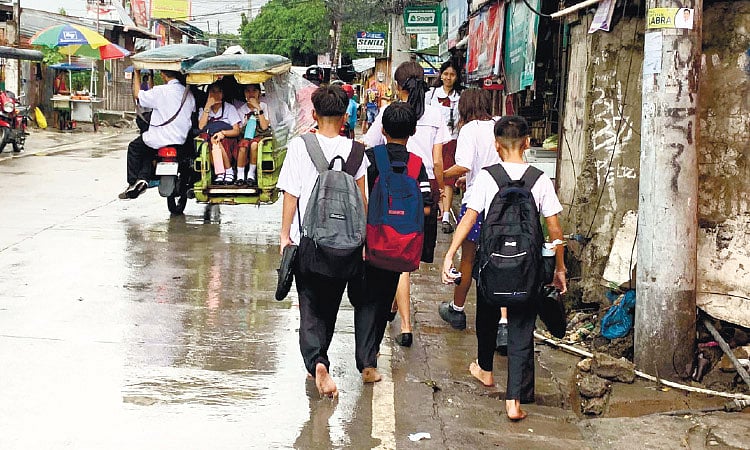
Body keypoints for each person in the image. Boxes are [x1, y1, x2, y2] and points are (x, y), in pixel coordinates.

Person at [441, 116, 567, 421]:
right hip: (528, 268)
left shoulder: (488, 177)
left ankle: (485, 369)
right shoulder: (540, 179)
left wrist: (450, 253)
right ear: (527, 143)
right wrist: (560, 268)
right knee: (521, 327)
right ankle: (513, 401)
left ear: (497, 146)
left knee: (486, 311)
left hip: (492, 263)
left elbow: (470, 217)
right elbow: (554, 229)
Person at [277, 85, 368, 398]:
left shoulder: (300, 146)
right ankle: (319, 356)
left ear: (314, 115)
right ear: (345, 118)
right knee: (330, 304)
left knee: (309, 305)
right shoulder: (357, 152)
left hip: (310, 242)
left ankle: (317, 361)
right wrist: (363, 242)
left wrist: (285, 235)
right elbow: (362, 201)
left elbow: (291, 194)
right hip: (346, 245)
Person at [363, 61, 450, 347]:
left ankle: (398, 322)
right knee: (404, 256)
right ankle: (405, 323)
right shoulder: (436, 113)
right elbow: (437, 161)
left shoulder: (387, 115)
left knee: (390, 256)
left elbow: (368, 144)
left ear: (398, 85)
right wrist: (440, 193)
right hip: (422, 184)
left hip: (385, 190)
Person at [355, 102, 433, 383]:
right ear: (412, 132)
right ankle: (371, 358)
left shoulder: (369, 159)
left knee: (366, 301)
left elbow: (358, 197)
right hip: (400, 246)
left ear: (383, 130)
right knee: (384, 300)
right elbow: (427, 207)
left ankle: (366, 360)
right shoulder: (416, 165)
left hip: (370, 242)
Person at [438, 88, 501, 333]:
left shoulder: (469, 129)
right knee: (498, 258)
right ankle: (503, 320)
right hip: (501, 202)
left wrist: (441, 175)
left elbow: (463, 165)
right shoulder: (498, 125)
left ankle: (457, 309)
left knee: (468, 258)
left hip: (476, 201)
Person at [119, 69, 195, 199]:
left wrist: (136, 73)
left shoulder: (161, 91)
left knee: (134, 147)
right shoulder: (188, 94)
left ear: (163, 75)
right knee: (149, 151)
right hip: (180, 139)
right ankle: (143, 179)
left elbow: (138, 95)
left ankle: (133, 182)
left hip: (159, 138)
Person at [426, 59, 463, 234]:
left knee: (448, 177)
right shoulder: (431, 94)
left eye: (452, 75)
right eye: (446, 74)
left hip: (452, 141)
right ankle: (432, 206)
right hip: (433, 140)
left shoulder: (460, 97)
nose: (448, 78)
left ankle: (446, 216)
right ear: (441, 75)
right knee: (431, 173)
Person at [198, 82, 242, 185]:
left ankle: (225, 171)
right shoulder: (203, 109)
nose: (216, 95)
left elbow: (236, 130)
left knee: (217, 141)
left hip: (227, 138)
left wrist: (223, 133)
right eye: (213, 92)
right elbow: (201, 127)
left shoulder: (229, 108)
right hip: (210, 138)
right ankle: (225, 171)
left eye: (219, 92)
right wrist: (208, 106)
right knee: (212, 142)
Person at [234, 83, 271, 186]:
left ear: (259, 92)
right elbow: (240, 129)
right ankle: (240, 175)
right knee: (243, 146)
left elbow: (264, 126)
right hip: (246, 135)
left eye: (254, 90)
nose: (251, 93)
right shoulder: (241, 109)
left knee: (254, 145)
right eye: (248, 91)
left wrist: (258, 108)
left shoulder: (264, 106)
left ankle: (251, 173)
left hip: (260, 135)